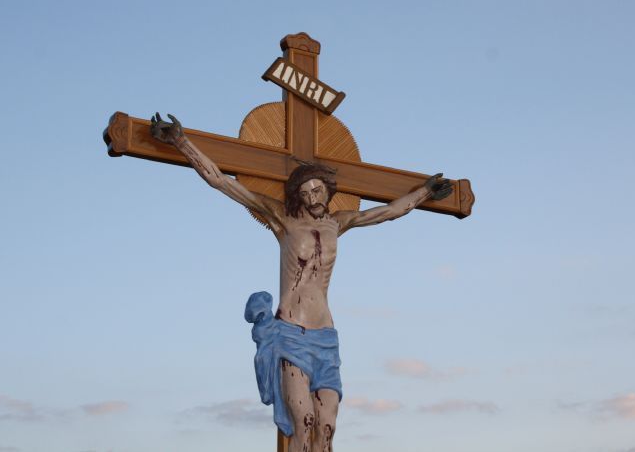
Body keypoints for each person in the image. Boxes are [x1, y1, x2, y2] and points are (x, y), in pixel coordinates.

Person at [150, 113, 452, 452]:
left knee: (327, 429)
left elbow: (389, 212)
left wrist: (425, 191)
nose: (313, 197)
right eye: (305, 192)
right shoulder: (284, 219)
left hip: (326, 336)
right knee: (304, 423)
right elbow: (222, 182)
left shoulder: (339, 222)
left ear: (328, 190)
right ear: (298, 196)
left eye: (318, 189)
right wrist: (181, 142)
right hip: (291, 334)